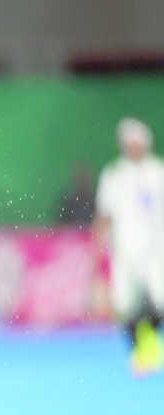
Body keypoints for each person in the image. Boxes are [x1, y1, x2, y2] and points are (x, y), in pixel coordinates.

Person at [93, 118, 164, 376]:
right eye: (129, 143)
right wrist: (96, 246)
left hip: (157, 250)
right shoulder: (114, 175)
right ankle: (140, 351)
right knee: (123, 305)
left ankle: (149, 343)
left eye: (137, 143)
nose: (133, 147)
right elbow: (104, 214)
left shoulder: (159, 172)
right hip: (124, 252)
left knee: (160, 301)